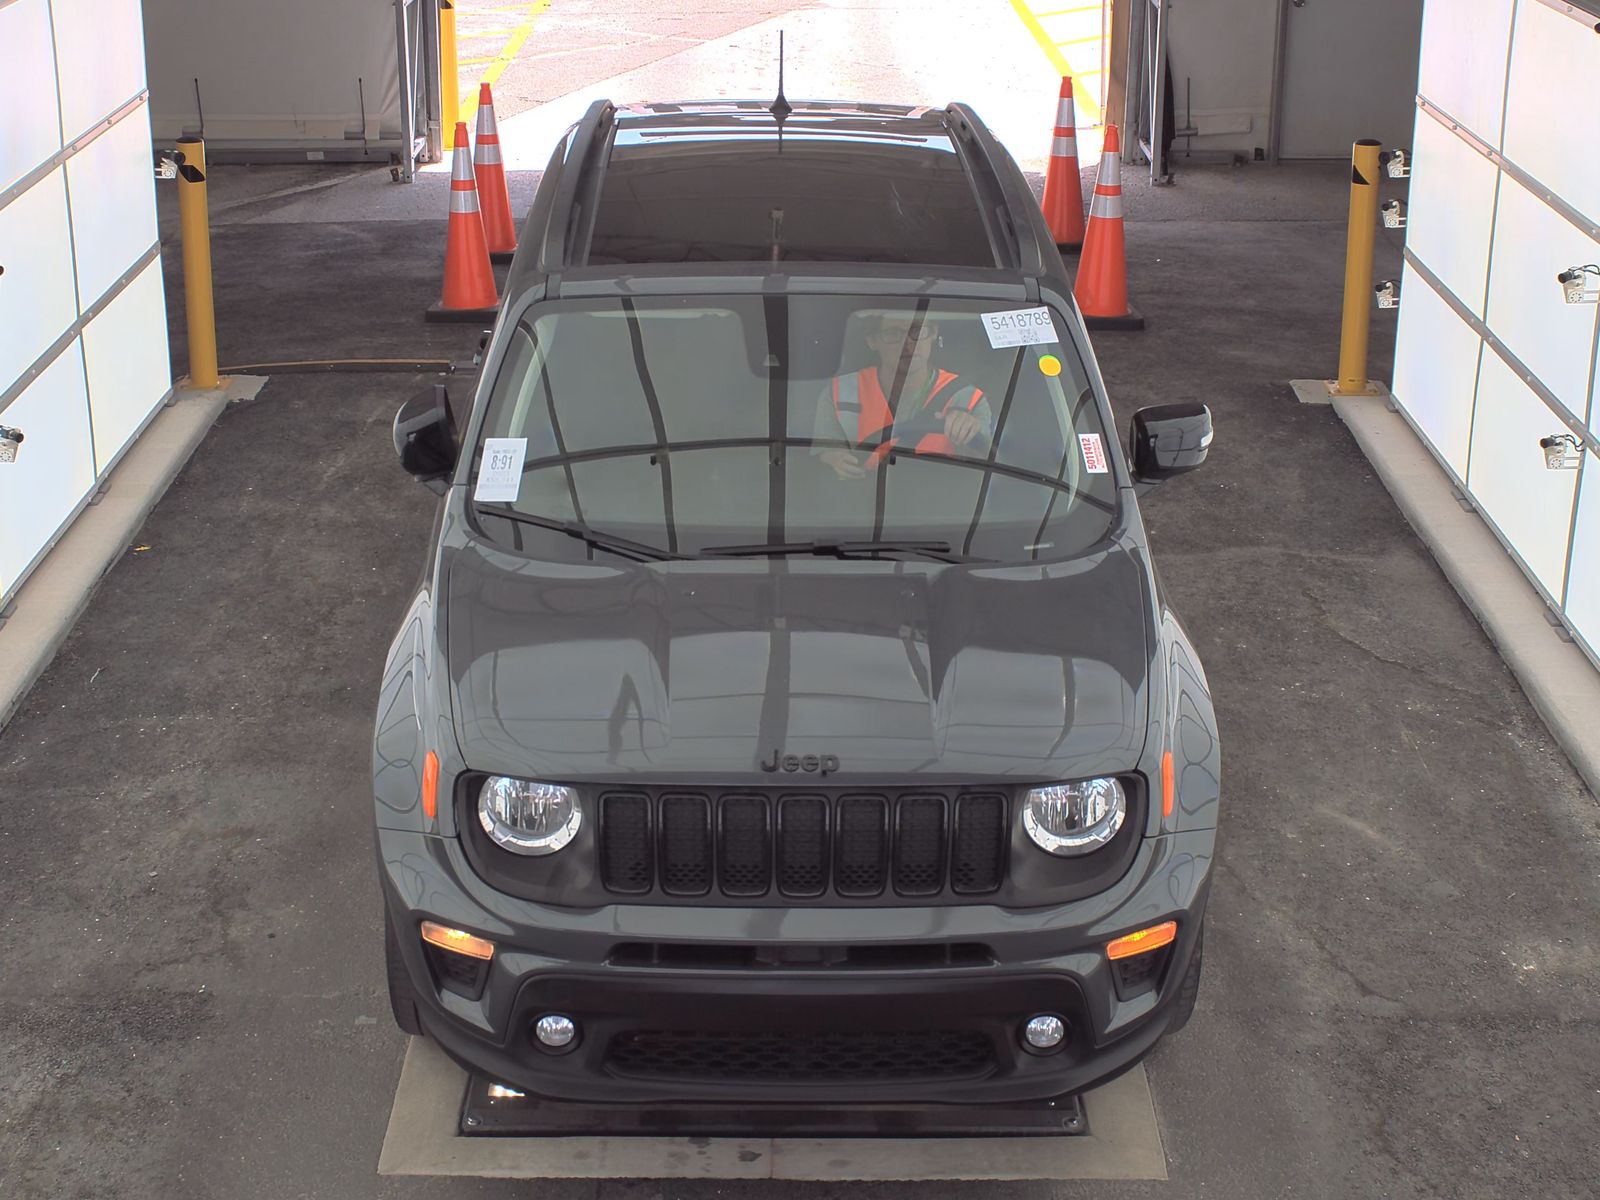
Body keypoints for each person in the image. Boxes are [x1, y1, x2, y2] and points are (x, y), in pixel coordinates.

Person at [813, 312, 993, 479]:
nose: (908, 344)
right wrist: (833, 457)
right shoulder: (838, 391)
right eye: (893, 333)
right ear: (872, 341)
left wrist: (970, 431)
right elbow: (821, 455)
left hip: (940, 502)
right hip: (863, 497)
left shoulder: (968, 399)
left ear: (933, 333)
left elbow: (988, 467)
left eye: (917, 331)